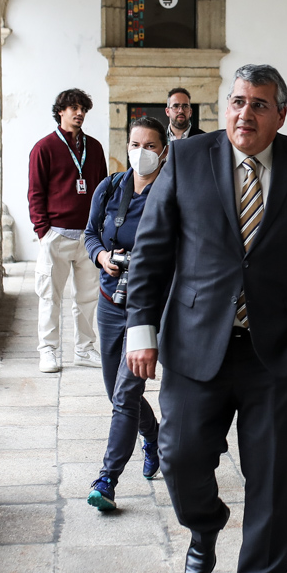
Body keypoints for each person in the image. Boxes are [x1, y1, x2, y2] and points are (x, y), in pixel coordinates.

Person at [124, 64, 287, 573]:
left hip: (281, 353)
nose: (244, 114)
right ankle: (205, 525)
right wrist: (140, 329)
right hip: (196, 345)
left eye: (258, 105)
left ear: (280, 112)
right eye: (237, 102)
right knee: (178, 456)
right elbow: (152, 249)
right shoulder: (189, 158)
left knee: (272, 478)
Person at [83, 116, 169, 511]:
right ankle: (152, 437)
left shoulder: (172, 192)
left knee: (125, 393)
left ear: (163, 151)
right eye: (135, 144)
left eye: (150, 145)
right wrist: (101, 256)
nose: (141, 152)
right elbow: (90, 235)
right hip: (109, 301)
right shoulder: (110, 187)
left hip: (146, 307)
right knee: (113, 392)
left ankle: (107, 479)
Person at [27, 88, 106, 373]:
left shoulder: (94, 148)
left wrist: (100, 230)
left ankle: (84, 349)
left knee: (87, 297)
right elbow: (35, 193)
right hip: (56, 234)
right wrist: (43, 232)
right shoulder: (44, 148)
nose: (79, 113)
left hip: (88, 236)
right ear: (60, 111)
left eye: (83, 108)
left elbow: (103, 190)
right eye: (73, 107)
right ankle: (48, 350)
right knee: (50, 296)